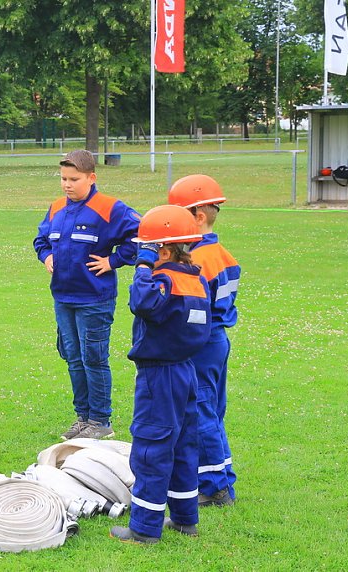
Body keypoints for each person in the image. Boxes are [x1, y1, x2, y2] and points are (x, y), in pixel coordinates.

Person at [110, 204, 211, 544]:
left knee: (152, 447)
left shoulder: (163, 279)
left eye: (147, 248)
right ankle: (185, 518)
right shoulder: (196, 279)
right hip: (186, 370)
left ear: (162, 250)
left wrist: (142, 265)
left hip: (160, 375)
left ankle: (143, 528)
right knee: (184, 445)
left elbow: (142, 303)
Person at [33, 149, 140, 440]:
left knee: (93, 358)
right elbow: (41, 239)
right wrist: (46, 257)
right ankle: (82, 418)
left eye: (74, 179)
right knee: (73, 357)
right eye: (63, 179)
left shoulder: (110, 208)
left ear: (92, 178)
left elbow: (142, 236)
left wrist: (113, 261)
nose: (67, 184)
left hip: (94, 299)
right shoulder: (56, 208)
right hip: (63, 298)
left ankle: (100, 420)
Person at [168, 174, 240, 507]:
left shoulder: (197, 261)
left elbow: (192, 310)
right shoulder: (221, 254)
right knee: (212, 409)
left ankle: (215, 487)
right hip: (217, 340)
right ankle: (219, 474)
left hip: (201, 342)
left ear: (197, 216)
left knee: (200, 410)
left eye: (177, 215)